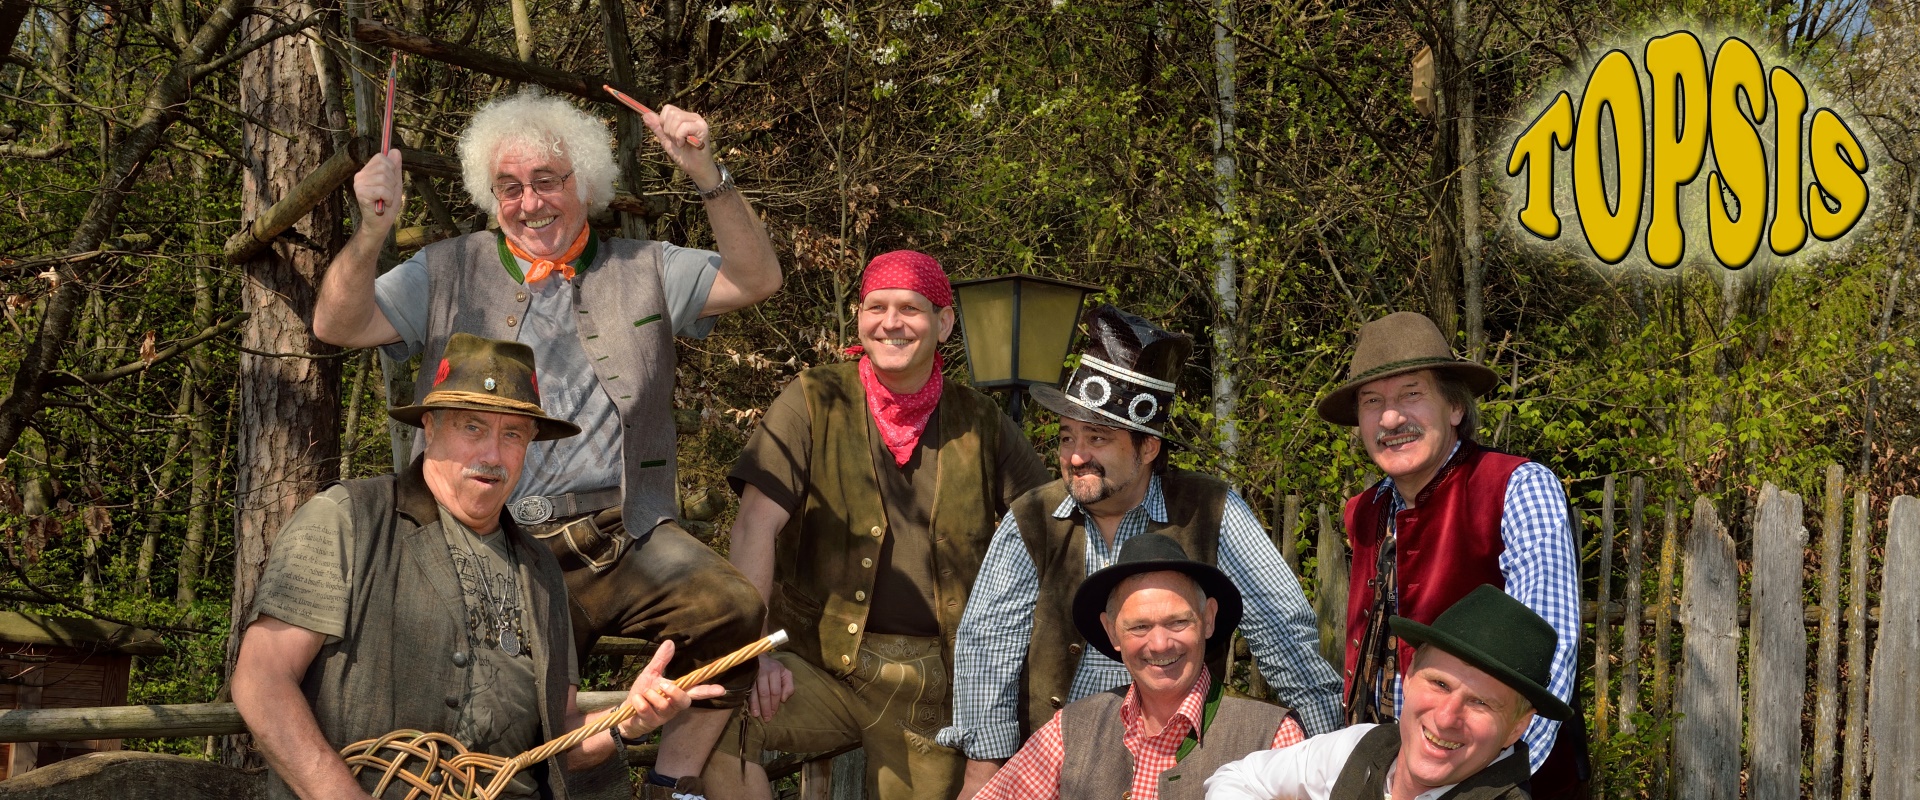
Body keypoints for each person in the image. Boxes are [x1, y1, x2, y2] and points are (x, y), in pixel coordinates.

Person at [313, 90, 780, 798]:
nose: (529, 203)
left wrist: (705, 173)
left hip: (623, 537)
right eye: (509, 187)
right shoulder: (446, 268)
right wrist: (372, 229)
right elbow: (337, 324)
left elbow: (758, 278)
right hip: (488, 540)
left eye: (547, 181)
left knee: (734, 610)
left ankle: (673, 784)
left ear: (585, 185)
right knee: (517, 727)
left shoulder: (645, 265)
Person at [233, 334, 723, 800]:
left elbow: (556, 746)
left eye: (511, 434)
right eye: (473, 427)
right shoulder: (348, 518)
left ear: (530, 442)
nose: (492, 454)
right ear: (430, 425)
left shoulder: (541, 570)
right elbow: (261, 680)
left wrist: (627, 721)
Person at [941, 305, 1345, 797]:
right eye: (1067, 436)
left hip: (1182, 758)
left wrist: (1333, 758)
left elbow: (1285, 638)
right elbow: (988, 646)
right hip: (1062, 765)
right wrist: (983, 768)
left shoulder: (1210, 510)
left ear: (1148, 448)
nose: (1074, 455)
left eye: (1098, 438)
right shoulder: (1033, 519)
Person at [699, 251, 1051, 799]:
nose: (891, 322)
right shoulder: (814, 398)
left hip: (935, 688)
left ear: (944, 322)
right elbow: (753, 529)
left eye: (910, 308)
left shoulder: (982, 422)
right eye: (876, 306)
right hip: (816, 665)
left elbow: (1050, 534)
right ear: (859, 317)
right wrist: (757, 652)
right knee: (711, 721)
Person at [1314, 311, 1584, 796]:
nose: (1391, 418)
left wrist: (1501, 783)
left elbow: (1548, 659)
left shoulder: (1518, 488)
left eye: (1411, 395)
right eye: (1373, 402)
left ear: (1455, 406)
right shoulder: (1364, 511)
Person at [976, 533, 1306, 800]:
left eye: (1178, 622)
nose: (1160, 644)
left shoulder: (1273, 736)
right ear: (1111, 632)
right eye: (1139, 627)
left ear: (1208, 620)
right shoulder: (1069, 731)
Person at [1204, 585, 1572, 800]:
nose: (1446, 718)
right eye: (1440, 684)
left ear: (1516, 728)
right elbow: (1237, 777)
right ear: (1408, 678)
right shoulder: (1361, 745)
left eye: (1481, 703)